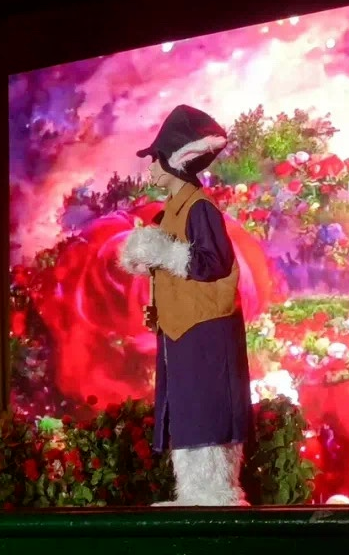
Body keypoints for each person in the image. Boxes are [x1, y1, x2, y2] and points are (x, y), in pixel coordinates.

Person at [118, 105, 252, 506]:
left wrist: (162, 251)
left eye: (154, 160)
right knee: (188, 410)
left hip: (205, 328)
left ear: (174, 160)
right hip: (180, 329)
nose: (149, 169)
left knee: (206, 408)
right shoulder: (172, 211)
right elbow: (173, 266)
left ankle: (216, 493)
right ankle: (194, 493)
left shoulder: (200, 207)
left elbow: (213, 263)